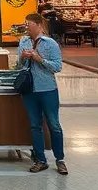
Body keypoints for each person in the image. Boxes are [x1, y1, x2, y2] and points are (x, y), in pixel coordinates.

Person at [17, 12, 66, 175]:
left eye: (29, 24)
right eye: (26, 24)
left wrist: (40, 59)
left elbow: (57, 66)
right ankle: (40, 159)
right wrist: (24, 58)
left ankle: (60, 159)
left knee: (54, 124)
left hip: (47, 89)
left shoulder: (50, 43)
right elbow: (19, 65)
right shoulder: (23, 42)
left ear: (38, 25)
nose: (26, 27)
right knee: (35, 124)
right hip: (29, 90)